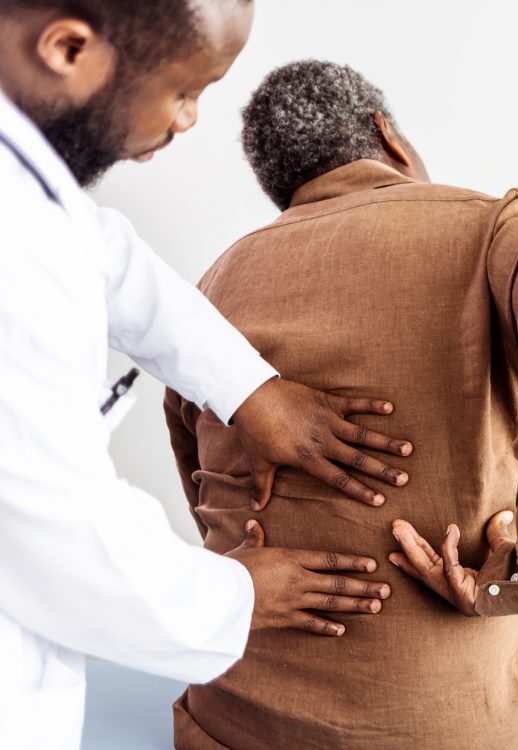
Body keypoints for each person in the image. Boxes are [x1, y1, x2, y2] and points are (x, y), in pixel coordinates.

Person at [163, 60, 518, 749]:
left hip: (234, 718)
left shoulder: (216, 283)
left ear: (283, 190)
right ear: (390, 137)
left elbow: (204, 485)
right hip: (442, 723)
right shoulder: (487, 230)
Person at [0, 4, 417, 747]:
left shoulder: (34, 203)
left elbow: (108, 259)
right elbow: (57, 536)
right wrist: (238, 593)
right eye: (186, 91)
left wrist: (250, 391)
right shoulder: (14, 249)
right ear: (68, 48)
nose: (189, 120)